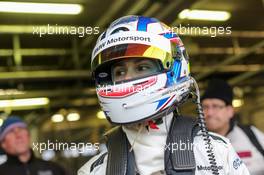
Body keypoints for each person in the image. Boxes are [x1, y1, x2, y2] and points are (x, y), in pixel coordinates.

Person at [78, 15, 249, 175]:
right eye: (120, 71)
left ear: (174, 68)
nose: (128, 78)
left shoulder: (216, 151)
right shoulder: (93, 171)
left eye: (142, 68)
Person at [201, 78, 264, 175]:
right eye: (205, 107)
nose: (209, 113)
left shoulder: (251, 135)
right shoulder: (195, 143)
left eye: (216, 106)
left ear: (230, 111)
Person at [0, 116, 67, 175]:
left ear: (29, 136)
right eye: (11, 131)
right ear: (3, 144)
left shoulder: (54, 169)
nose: (18, 135)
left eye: (21, 129)